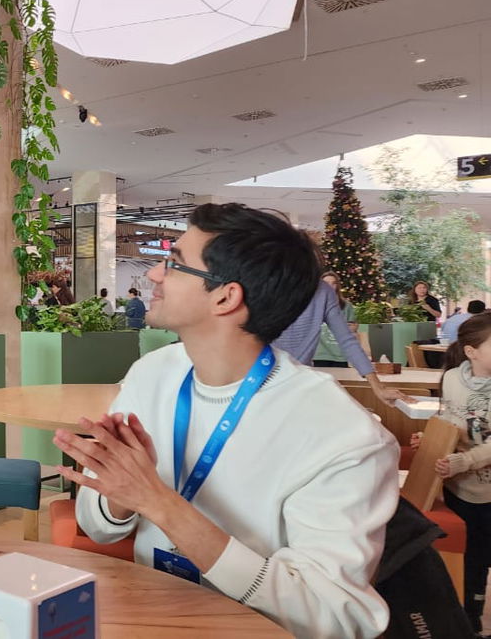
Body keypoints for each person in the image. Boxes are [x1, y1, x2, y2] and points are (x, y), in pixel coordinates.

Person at [53, 203, 399, 638]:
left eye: (174, 263)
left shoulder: (343, 435)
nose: (155, 275)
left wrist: (161, 504)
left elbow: (332, 617)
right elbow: (97, 526)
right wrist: (120, 496)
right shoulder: (152, 374)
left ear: (225, 297)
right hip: (151, 617)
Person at [432, 313, 491, 633]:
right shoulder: (453, 378)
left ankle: (472, 621)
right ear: (472, 352)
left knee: (479, 558)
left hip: (485, 492)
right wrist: (432, 439)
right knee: (461, 555)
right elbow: (449, 418)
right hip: (455, 486)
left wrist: (463, 461)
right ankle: (459, 619)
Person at [275, 270, 411, 406]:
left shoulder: (323, 292)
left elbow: (347, 340)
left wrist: (378, 387)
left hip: (300, 381)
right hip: (266, 378)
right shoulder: (266, 285)